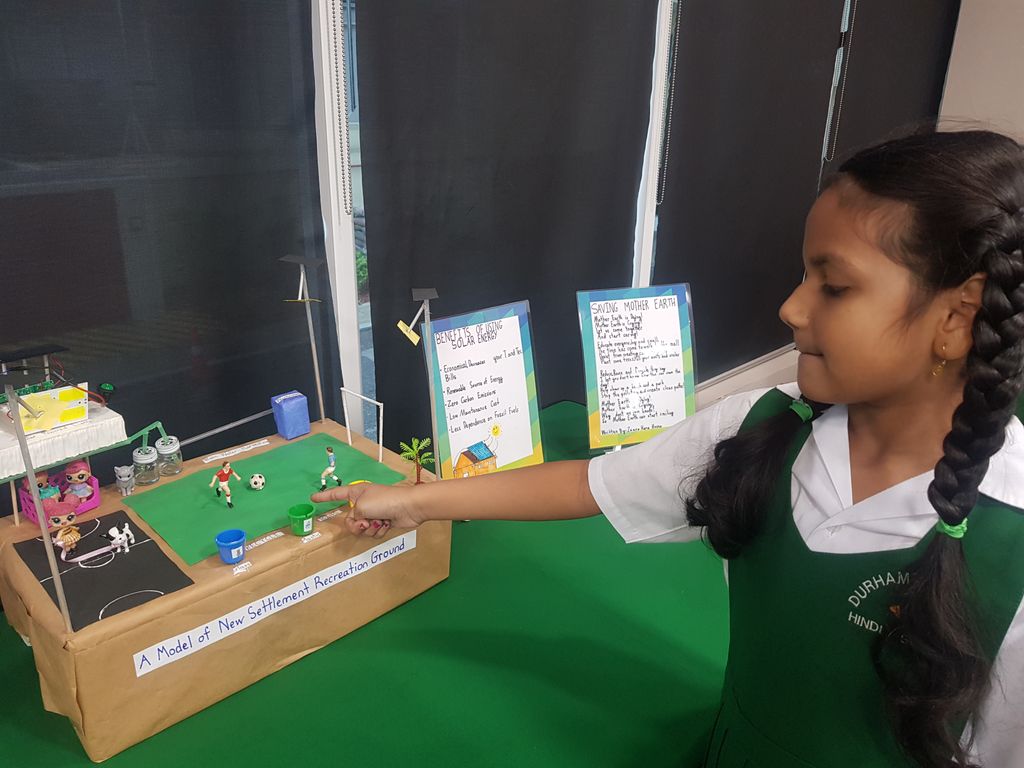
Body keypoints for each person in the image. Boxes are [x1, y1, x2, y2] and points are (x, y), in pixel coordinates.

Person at [312, 130, 1024, 767]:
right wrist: (415, 500)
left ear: (958, 316)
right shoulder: (759, 430)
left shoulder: (1009, 540)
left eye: (833, 287)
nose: (791, 308)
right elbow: (589, 483)